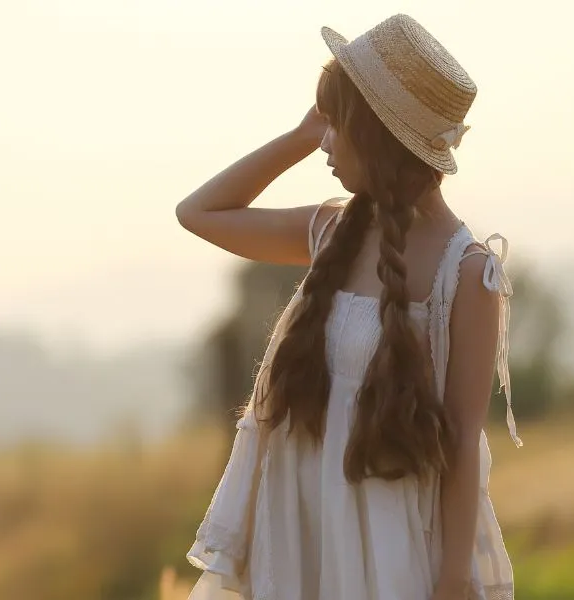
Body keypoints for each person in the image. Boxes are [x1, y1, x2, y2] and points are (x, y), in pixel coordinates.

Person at [175, 14, 521, 600]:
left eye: (336, 126)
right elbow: (199, 213)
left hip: (391, 544)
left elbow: (464, 441)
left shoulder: (466, 274)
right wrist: (298, 135)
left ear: (378, 135)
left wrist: (453, 579)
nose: (325, 145)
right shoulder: (331, 231)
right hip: (300, 529)